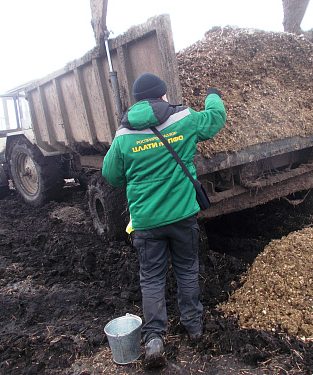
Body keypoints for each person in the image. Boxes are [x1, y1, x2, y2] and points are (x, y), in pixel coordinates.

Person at [102, 73, 226, 368]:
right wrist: (212, 94)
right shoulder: (183, 118)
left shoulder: (123, 135)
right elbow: (215, 119)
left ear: (137, 100)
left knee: (152, 278)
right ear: (162, 95)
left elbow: (111, 176)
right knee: (186, 269)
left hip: (146, 222)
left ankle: (155, 338)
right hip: (182, 215)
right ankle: (194, 328)